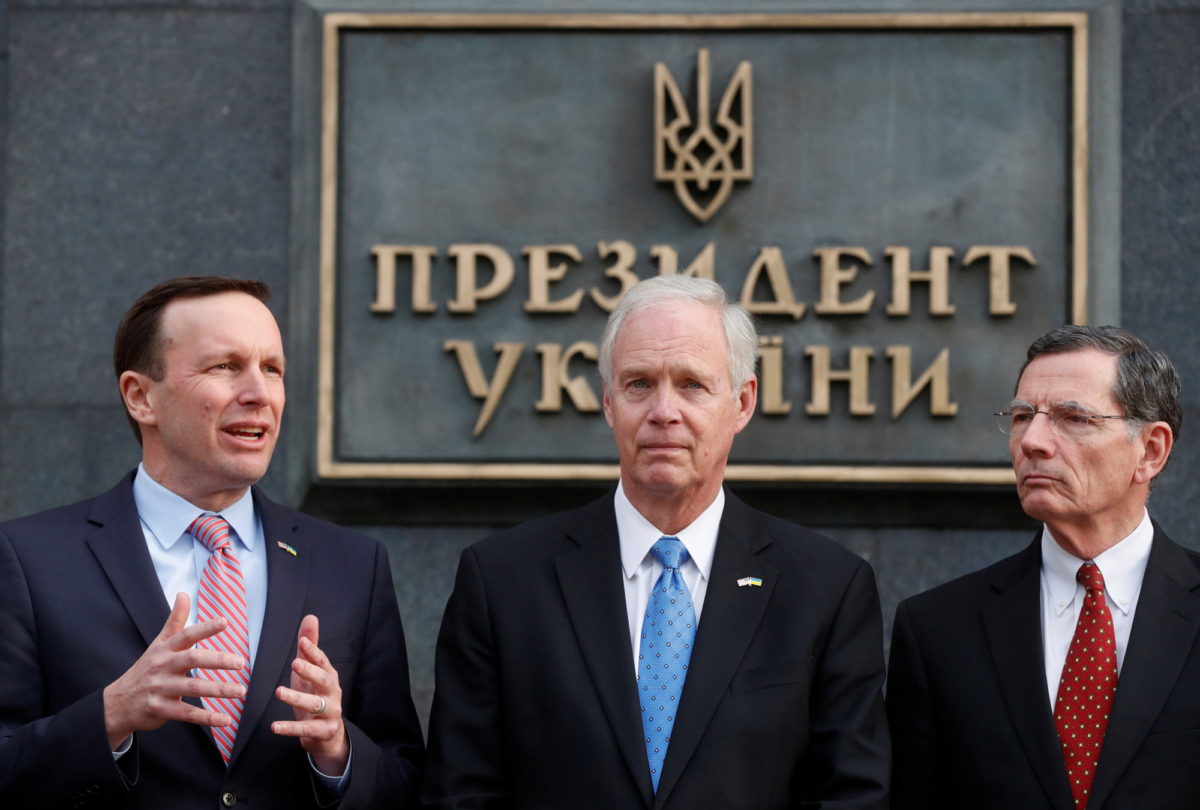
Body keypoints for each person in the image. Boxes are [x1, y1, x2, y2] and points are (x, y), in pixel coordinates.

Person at [422, 275, 890, 810]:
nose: (663, 411)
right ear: (608, 402)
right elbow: (461, 792)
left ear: (741, 402)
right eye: (639, 384)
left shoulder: (827, 588)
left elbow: (850, 796)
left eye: (692, 384)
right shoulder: (502, 583)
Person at [0, 277, 424, 808]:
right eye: (224, 367)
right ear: (140, 397)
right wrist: (110, 715)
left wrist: (337, 751)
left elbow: (408, 783)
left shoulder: (352, 566)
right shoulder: (28, 560)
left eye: (272, 369)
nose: (259, 393)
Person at [887, 325, 1199, 810]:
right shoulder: (937, 629)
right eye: (1021, 416)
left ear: (1150, 450)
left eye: (1073, 418)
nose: (1032, 440)